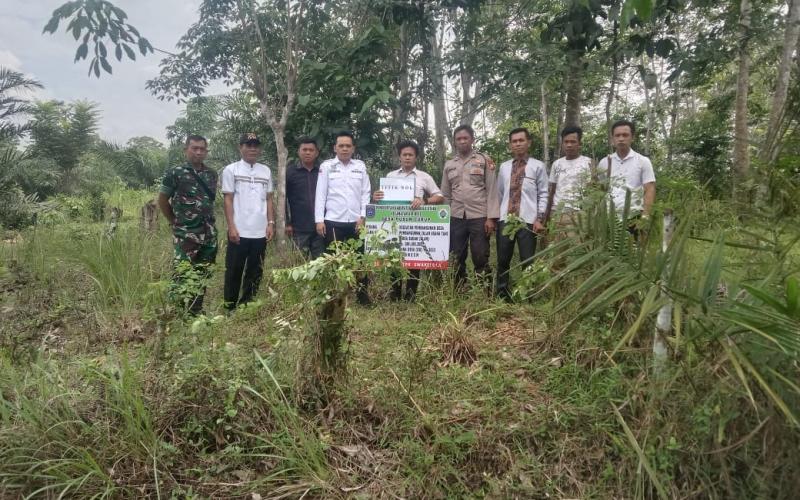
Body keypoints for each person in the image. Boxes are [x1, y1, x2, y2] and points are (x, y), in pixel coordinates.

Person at [373, 140, 444, 302]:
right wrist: (376, 197)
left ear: (416, 158)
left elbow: (439, 196)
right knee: (394, 256)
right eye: (404, 155)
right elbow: (382, 200)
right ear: (399, 157)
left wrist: (424, 201)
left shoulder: (424, 177)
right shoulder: (390, 176)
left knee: (414, 257)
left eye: (410, 155)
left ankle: (411, 296)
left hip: (415, 225)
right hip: (394, 224)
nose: (407, 158)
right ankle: (395, 295)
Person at [158, 135, 218, 315]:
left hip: (208, 234)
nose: (198, 152)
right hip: (185, 234)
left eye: (202, 149)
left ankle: (195, 311)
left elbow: (209, 202)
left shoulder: (211, 174)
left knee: (203, 273)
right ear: (186, 150)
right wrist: (174, 222)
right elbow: (162, 200)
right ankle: (176, 313)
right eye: (194, 148)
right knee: (181, 273)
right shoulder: (175, 173)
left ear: (206, 151)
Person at [315, 131, 372, 305]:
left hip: (356, 222)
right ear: (335, 148)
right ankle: (334, 296)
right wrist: (319, 220)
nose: (345, 148)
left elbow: (365, 193)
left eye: (348, 145)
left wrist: (362, 217)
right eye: (341, 145)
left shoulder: (360, 166)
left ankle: (362, 296)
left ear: (353, 148)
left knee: (360, 260)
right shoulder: (326, 167)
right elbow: (320, 194)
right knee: (334, 260)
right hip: (333, 221)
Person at [440, 124, 500, 290]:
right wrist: (445, 220)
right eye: (459, 139)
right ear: (454, 142)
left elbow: (492, 189)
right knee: (456, 256)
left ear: (472, 140)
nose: (462, 141)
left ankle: (485, 292)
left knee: (480, 256)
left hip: (479, 216)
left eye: (465, 138)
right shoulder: (449, 164)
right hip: (456, 216)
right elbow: (445, 194)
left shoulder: (484, 160)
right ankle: (460, 290)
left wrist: (491, 218)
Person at [221, 133, 275, 311]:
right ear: (240, 147)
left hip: (260, 231)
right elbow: (228, 199)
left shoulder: (265, 170)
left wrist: (270, 223)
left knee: (255, 270)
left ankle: (247, 304)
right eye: (248, 145)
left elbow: (268, 199)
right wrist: (231, 227)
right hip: (239, 231)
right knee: (234, 270)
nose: (252, 148)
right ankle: (229, 306)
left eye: (255, 145)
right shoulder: (231, 170)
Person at [495, 128, 548, 301]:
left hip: (528, 220)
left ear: (529, 142)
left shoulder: (537, 166)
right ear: (510, 145)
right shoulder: (504, 167)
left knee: (527, 260)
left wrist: (539, 219)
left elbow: (543, 194)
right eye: (514, 141)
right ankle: (503, 295)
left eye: (521, 140)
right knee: (503, 260)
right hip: (506, 220)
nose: (518, 144)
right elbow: (501, 193)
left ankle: (529, 296)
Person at [604, 120, 656, 238]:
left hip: (634, 219)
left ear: (632, 137)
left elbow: (650, 189)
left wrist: (645, 217)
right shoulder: (605, 162)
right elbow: (600, 189)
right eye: (617, 135)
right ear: (612, 139)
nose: (621, 138)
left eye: (625, 135)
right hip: (609, 218)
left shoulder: (643, 161)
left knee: (633, 254)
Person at [544, 125, 595, 231]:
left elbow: (593, 192)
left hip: (579, 214)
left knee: (577, 246)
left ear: (580, 144)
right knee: (556, 246)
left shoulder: (589, 163)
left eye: (573, 142)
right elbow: (552, 191)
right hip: (557, 213)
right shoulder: (556, 164)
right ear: (562, 144)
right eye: (566, 142)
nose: (569, 145)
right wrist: (547, 216)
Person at [285, 137, 324, 259]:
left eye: (311, 150)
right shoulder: (290, 172)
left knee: (321, 264)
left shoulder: (323, 171)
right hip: (299, 228)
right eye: (304, 149)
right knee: (298, 263)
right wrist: (287, 223)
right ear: (298, 151)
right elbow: (282, 199)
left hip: (321, 227)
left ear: (316, 153)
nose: (307, 152)